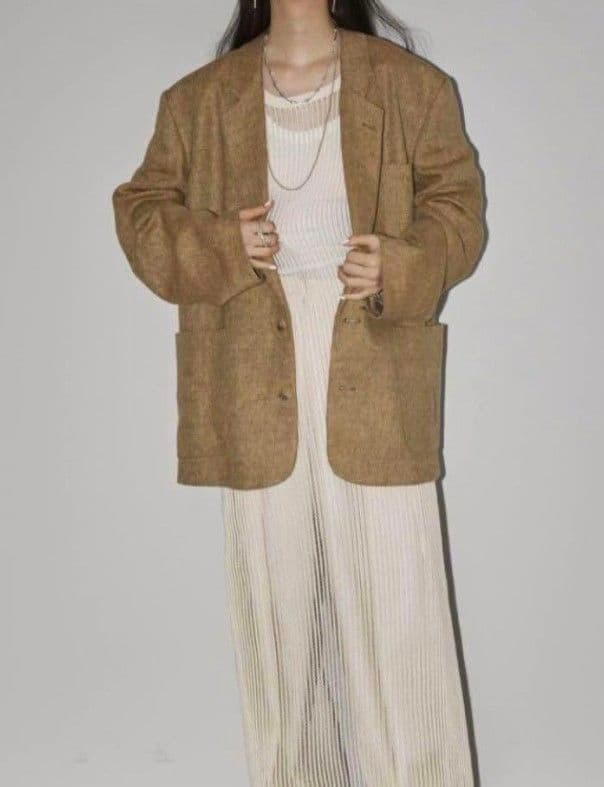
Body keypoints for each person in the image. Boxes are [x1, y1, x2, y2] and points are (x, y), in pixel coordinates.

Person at [112, 1, 485, 784]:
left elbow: (458, 209)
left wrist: (400, 264)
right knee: (277, 620)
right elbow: (141, 213)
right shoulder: (198, 100)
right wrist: (222, 245)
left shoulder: (411, 86)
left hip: (376, 360)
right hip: (250, 369)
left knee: (399, 609)